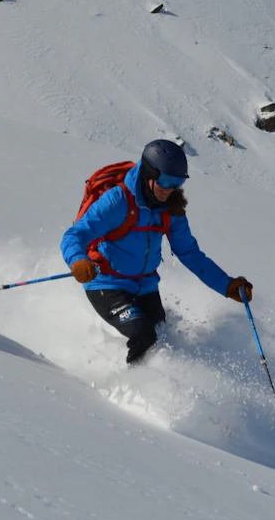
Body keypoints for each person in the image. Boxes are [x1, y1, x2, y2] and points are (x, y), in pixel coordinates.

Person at [61, 139, 253, 365]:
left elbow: (189, 253)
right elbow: (75, 235)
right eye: (165, 180)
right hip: (107, 282)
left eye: (178, 182)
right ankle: (133, 387)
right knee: (144, 334)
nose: (170, 189)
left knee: (162, 336)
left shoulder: (171, 210)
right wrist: (78, 260)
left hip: (144, 285)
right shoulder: (118, 201)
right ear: (149, 173)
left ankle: (161, 382)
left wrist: (226, 284)